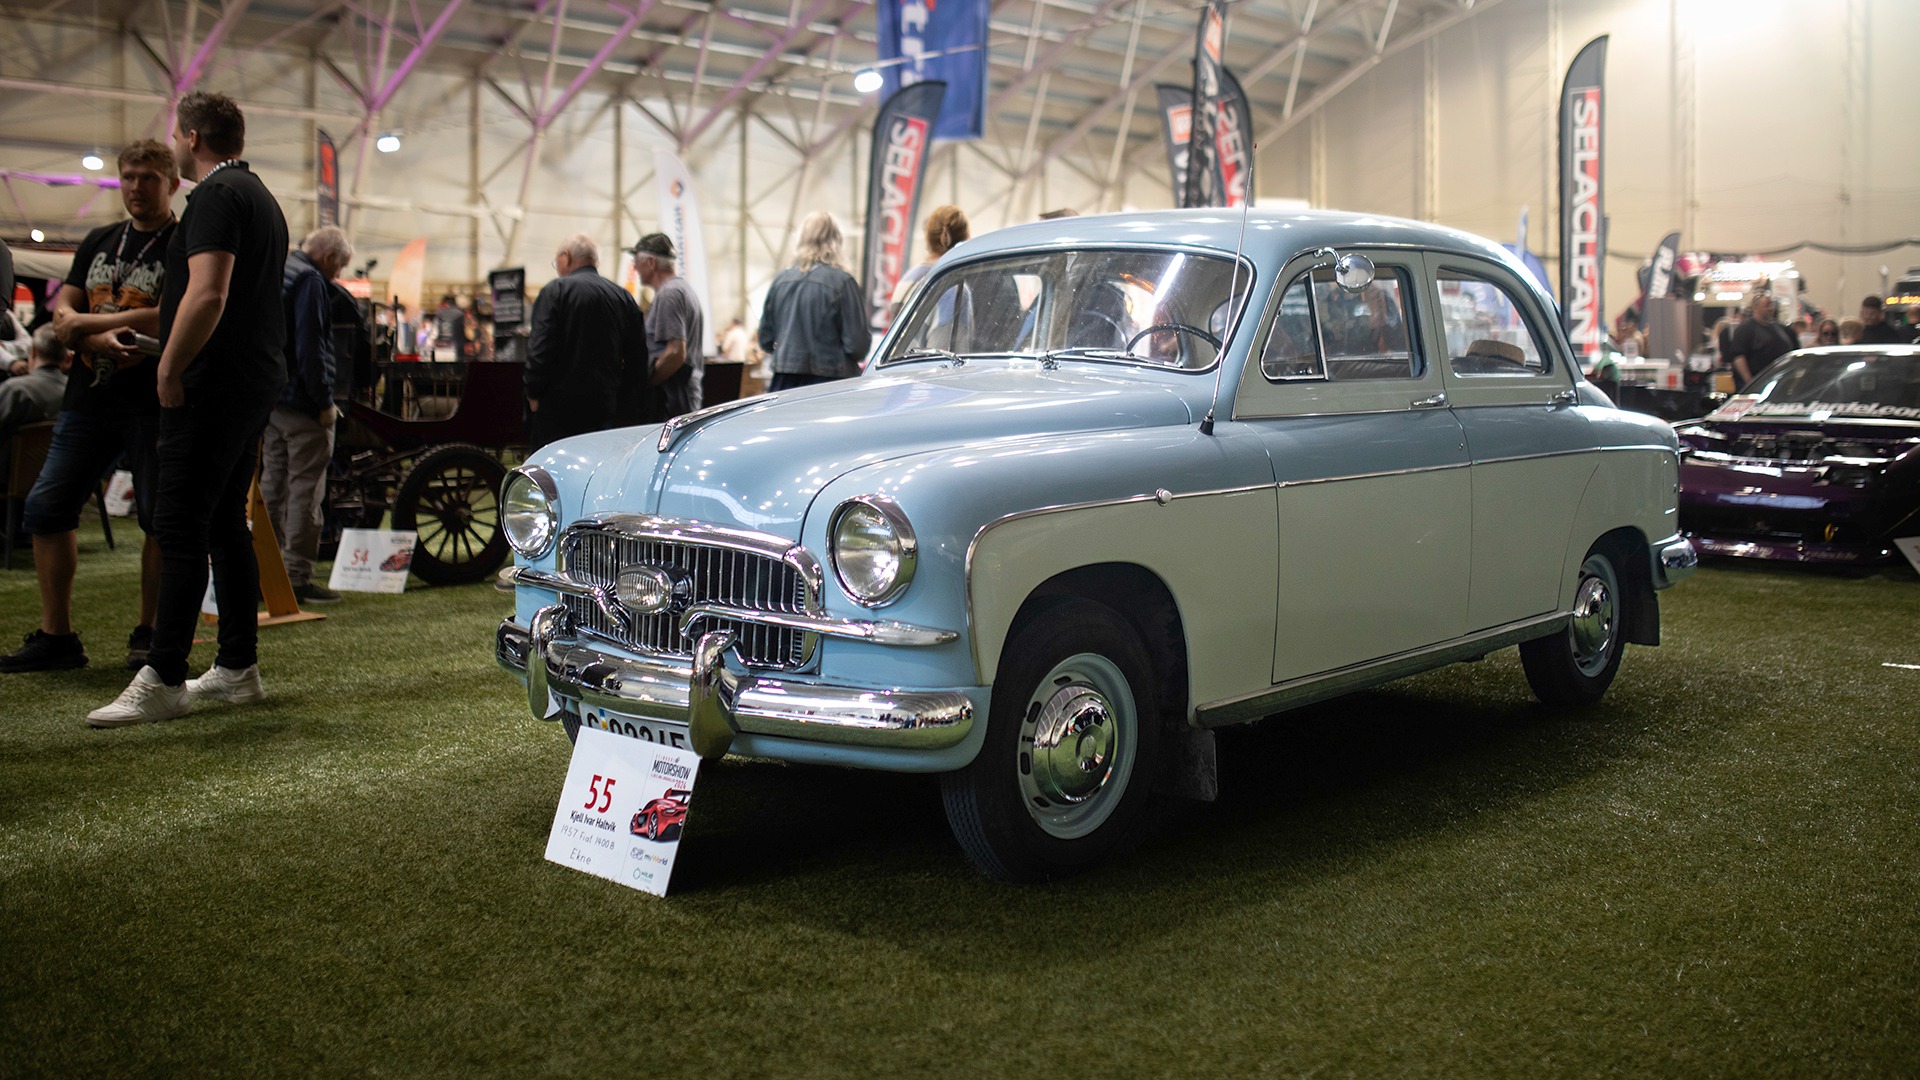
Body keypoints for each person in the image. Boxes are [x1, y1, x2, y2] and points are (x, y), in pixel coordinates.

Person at [87, 92, 290, 728]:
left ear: (193, 136)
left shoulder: (213, 196)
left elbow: (208, 293)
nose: (174, 146)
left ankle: (165, 673)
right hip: (249, 381)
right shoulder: (261, 196)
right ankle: (236, 669)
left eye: (177, 137)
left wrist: (169, 368)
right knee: (226, 523)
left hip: (212, 385)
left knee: (178, 524)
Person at [1, 139, 177, 676]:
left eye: (148, 177)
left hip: (152, 402)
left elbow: (171, 314)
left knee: (158, 521)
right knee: (46, 509)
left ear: (171, 182)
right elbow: (64, 305)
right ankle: (58, 638)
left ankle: (150, 635)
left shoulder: (183, 242)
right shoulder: (102, 239)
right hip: (86, 398)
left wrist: (85, 328)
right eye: (128, 176)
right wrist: (85, 334)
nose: (135, 186)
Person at [263, 225, 353, 606]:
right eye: (339, 269)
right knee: (305, 491)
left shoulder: (278, 269)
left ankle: (261, 572)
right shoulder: (310, 281)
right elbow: (312, 347)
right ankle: (297, 576)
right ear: (330, 257)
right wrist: (323, 403)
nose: (336, 277)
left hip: (272, 399)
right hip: (302, 403)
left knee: (272, 485)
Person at [523, 233, 649, 450]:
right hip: (604, 409)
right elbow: (637, 360)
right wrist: (624, 405)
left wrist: (532, 391)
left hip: (557, 409)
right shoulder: (623, 297)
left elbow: (540, 350)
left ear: (566, 257)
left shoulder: (555, 291)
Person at [758, 212, 871, 391]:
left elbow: (765, 340)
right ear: (836, 241)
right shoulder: (843, 282)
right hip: (830, 384)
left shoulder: (780, 281)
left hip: (783, 383)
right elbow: (857, 346)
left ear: (800, 240)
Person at [631, 232, 705, 421]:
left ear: (651, 263)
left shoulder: (669, 294)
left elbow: (675, 353)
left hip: (672, 400)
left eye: (636, 260)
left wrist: (645, 384)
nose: (634, 266)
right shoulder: (682, 289)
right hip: (683, 395)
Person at [0, 326, 68, 479]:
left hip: (9, 478)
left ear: (33, 352)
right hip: (58, 479)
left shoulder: (15, 390)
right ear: (66, 357)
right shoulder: (74, 392)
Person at [888, 205, 969, 323]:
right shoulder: (952, 289)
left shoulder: (906, 279)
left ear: (928, 237)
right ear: (964, 240)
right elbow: (946, 340)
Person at [1728, 291, 1795, 392]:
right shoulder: (1746, 329)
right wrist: (1750, 382)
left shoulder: (1779, 328)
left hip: (1779, 381)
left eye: (1771, 305)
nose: (1771, 308)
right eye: (1767, 305)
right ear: (1755, 307)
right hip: (1757, 381)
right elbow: (1738, 356)